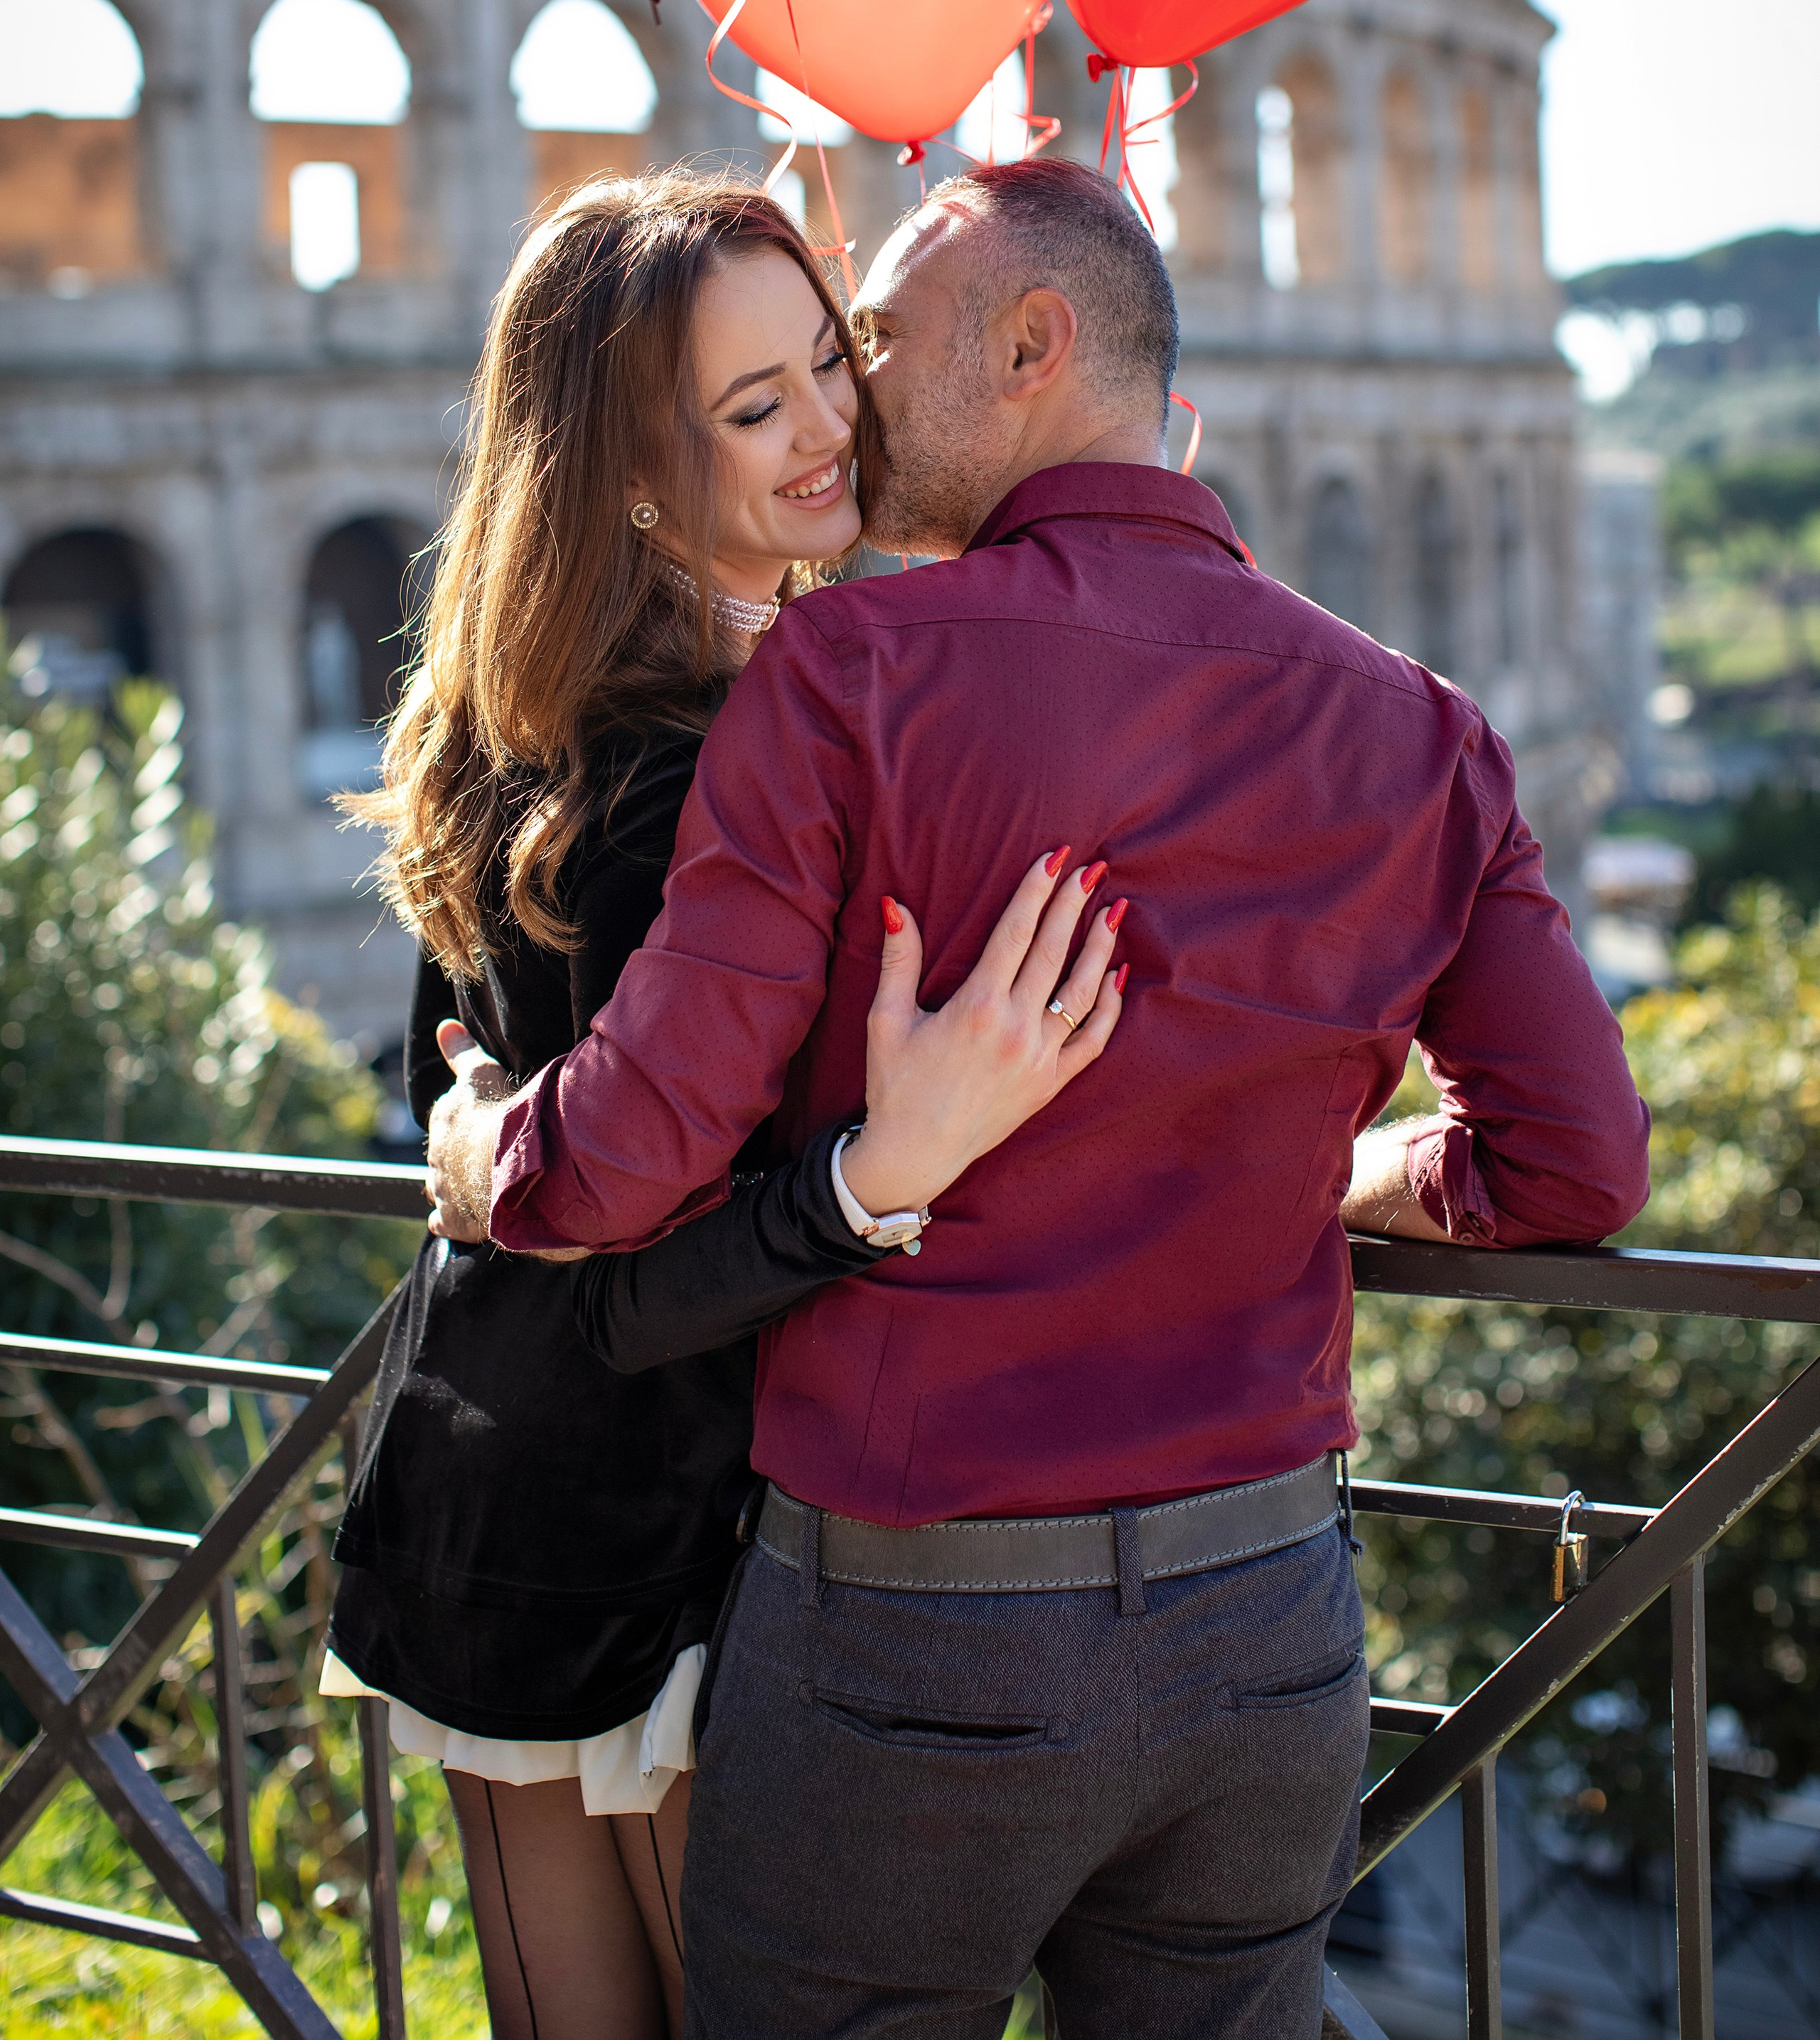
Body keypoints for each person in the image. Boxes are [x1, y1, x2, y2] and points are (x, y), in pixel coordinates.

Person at [433, 155, 1652, 2040]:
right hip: (1272, 1621)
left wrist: (475, 1147)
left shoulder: (842, 673)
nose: (853, 398)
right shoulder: (1424, 728)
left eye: (878, 343)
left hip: (912, 1634)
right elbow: (1575, 1163)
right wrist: (1346, 1171)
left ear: (1027, 348)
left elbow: (614, 1169)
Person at [323, 170, 1127, 2040]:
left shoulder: (521, 720)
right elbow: (628, 1266)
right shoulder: (701, 771)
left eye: (830, 364)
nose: (833, 427)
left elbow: (461, 1096)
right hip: (651, 1512)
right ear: (627, 473)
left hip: (484, 1463)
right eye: (757, 408)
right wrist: (882, 1175)